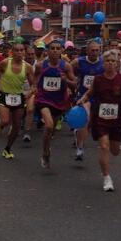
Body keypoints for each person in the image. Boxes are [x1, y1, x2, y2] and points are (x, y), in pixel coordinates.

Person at [77, 50, 121, 192]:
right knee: (104, 146)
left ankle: (108, 167)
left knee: (115, 151)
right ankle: (107, 178)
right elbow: (89, 93)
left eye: (113, 61)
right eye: (107, 61)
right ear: (103, 63)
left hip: (116, 120)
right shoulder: (98, 79)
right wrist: (82, 100)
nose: (110, 63)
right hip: (100, 119)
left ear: (117, 64)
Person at [34, 40, 77, 169]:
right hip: (43, 99)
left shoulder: (66, 66)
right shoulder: (41, 65)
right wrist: (34, 89)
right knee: (49, 125)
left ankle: (46, 150)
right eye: (52, 48)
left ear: (61, 51)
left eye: (58, 48)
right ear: (47, 50)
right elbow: (35, 79)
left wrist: (66, 81)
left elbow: (75, 83)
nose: (55, 50)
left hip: (59, 101)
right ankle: (45, 153)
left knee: (50, 130)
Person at [0, 42, 35, 160]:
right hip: (5, 96)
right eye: (17, 50)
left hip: (19, 97)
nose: (19, 53)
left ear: (24, 52)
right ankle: (1, 123)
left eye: (21, 50)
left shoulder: (27, 67)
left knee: (16, 127)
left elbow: (34, 85)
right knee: (5, 121)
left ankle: (7, 149)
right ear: (12, 52)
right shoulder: (5, 63)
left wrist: (28, 94)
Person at [72, 40, 104, 161]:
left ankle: (78, 132)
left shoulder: (103, 63)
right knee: (85, 120)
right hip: (83, 96)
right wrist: (74, 82)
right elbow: (69, 70)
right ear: (87, 51)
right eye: (92, 50)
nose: (95, 52)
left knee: (90, 124)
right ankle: (80, 149)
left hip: (98, 97)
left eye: (97, 50)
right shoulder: (79, 62)